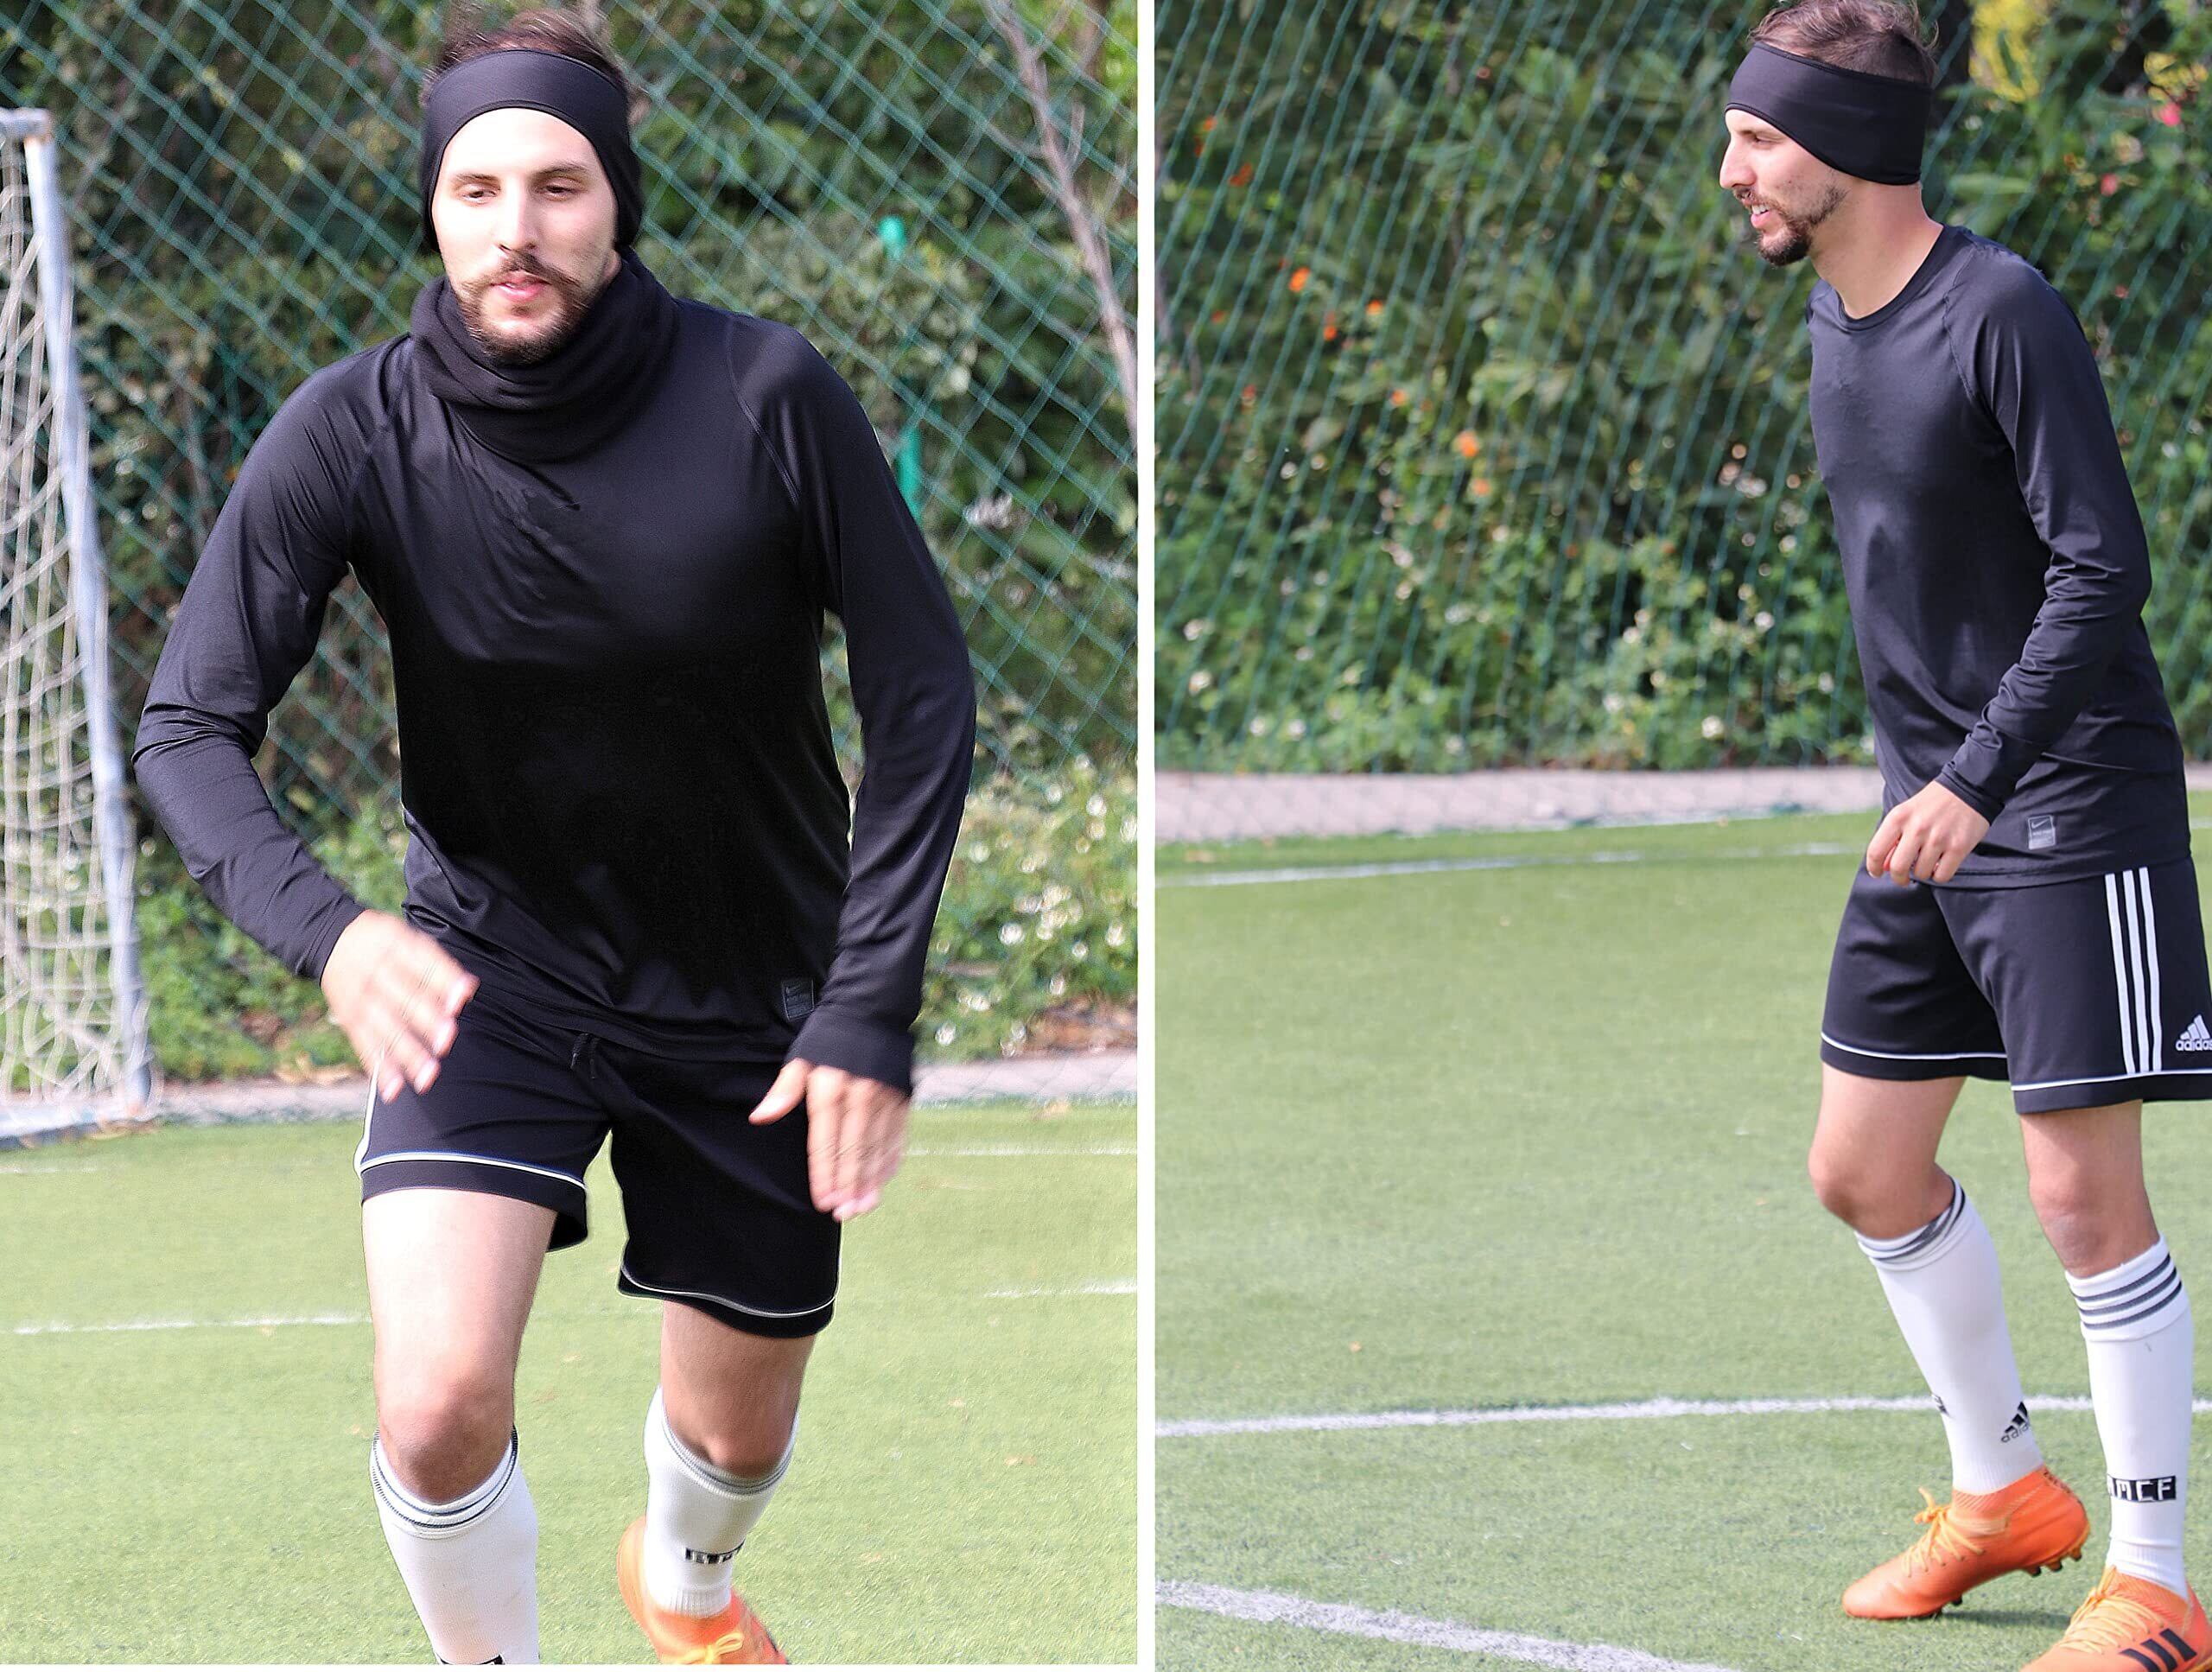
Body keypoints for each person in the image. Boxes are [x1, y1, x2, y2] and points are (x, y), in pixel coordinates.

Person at [131, 10, 976, 1664]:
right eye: (476, 189)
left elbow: (922, 692)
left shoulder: (766, 393)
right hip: (489, 979)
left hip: (753, 997)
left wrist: (868, 1003)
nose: (515, 228)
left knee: (732, 1440)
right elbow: (187, 728)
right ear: (433, 210)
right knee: (436, 1403)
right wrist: (334, 932)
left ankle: (687, 1588)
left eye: (558, 186)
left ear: (617, 204)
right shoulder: (352, 429)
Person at [1719, 4, 2208, 1669]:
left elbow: (2104, 570)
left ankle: (2157, 1585)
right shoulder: (1833, 312)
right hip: (1932, 817)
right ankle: (2003, 1494)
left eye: (1759, 138)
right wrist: (1934, 787)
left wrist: (1979, 777)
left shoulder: (2002, 313)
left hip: (2066, 804)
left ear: (1848, 146)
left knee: (2084, 1199)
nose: (1735, 170)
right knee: (1862, 1170)